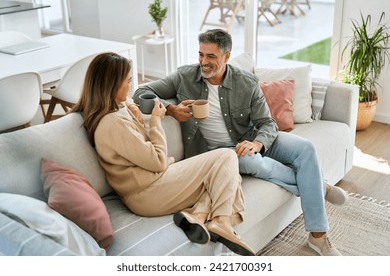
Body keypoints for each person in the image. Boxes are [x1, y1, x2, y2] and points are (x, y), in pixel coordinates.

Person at [133, 29, 349, 256]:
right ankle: (317, 191)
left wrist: (257, 143)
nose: (203, 63)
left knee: (306, 148)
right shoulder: (184, 77)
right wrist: (170, 109)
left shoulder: (246, 82)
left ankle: (316, 231)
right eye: (201, 55)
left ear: (226, 56)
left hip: (251, 137)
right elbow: (141, 92)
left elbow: (267, 123)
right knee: (255, 163)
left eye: (211, 57)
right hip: (219, 154)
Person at [71, 52, 255, 256]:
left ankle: (199, 218)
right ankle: (222, 220)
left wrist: (136, 107)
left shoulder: (111, 111)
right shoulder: (113, 124)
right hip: (147, 193)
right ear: (112, 85)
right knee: (227, 157)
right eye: (128, 81)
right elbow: (158, 161)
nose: (131, 86)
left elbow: (128, 101)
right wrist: (156, 120)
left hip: (150, 186)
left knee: (225, 177)